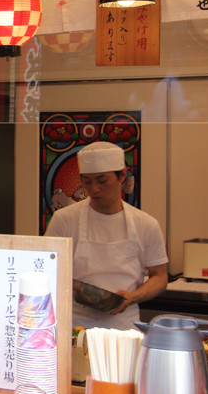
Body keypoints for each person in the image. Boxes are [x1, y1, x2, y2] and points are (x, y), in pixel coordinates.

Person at [45, 141, 168, 330]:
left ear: (122, 175)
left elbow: (159, 277)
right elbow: (46, 268)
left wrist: (133, 296)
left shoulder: (146, 224)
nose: (94, 189)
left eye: (102, 181)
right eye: (87, 181)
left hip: (124, 326)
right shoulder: (64, 220)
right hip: (74, 323)